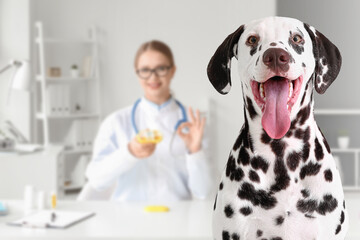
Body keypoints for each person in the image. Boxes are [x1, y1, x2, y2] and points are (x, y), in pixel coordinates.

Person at [85, 40, 213, 201]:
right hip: (127, 218)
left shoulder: (193, 124)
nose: (153, 77)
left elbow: (203, 191)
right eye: (145, 70)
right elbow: (96, 181)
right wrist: (129, 152)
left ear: (172, 71)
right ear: (137, 73)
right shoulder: (116, 122)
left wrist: (195, 151)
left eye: (161, 68)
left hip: (176, 218)